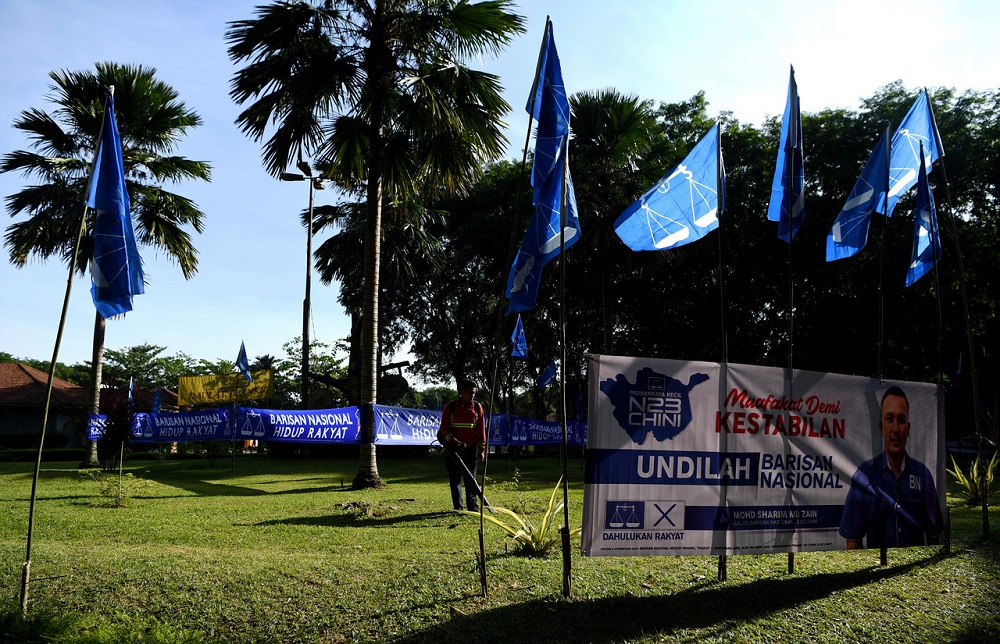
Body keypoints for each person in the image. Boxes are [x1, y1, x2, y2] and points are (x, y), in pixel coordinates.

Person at [839, 386, 943, 549]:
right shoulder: (864, 476)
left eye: (901, 420)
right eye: (889, 419)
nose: (896, 429)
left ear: (908, 429)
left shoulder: (923, 475)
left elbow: (934, 538)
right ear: (882, 428)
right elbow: (853, 540)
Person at [437, 379, 487, 511]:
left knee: (471, 480)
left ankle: (473, 509)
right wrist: (453, 441)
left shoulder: (477, 407)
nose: (472, 395)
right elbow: (444, 428)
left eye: (474, 393)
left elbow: (481, 430)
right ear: (461, 392)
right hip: (454, 450)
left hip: (470, 450)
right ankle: (458, 508)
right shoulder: (451, 406)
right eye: (470, 393)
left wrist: (482, 449)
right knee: (455, 480)